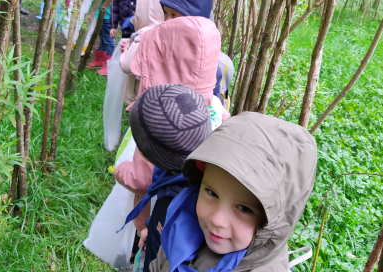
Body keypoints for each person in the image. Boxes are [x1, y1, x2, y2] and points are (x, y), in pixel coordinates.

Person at [148, 112, 317, 272]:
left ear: (273, 223)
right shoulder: (182, 223)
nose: (217, 220)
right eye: (212, 193)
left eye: (244, 209)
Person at [114, 14, 223, 235]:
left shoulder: (160, 122)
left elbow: (139, 178)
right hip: (193, 223)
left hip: (156, 217)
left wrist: (120, 170)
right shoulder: (217, 109)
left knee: (149, 253)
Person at [120, 84, 213, 272]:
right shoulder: (183, 174)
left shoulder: (181, 204)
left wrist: (155, 236)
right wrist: (151, 228)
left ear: (152, 155)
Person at [160, 0, 235, 109]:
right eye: (165, 13)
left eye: (174, 16)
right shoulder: (161, 47)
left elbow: (210, 106)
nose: (166, 21)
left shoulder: (207, 63)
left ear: (196, 22)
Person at [118, 0, 172, 105]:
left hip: (143, 98)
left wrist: (127, 49)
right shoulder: (171, 32)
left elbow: (127, 65)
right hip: (165, 96)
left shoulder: (144, 35)